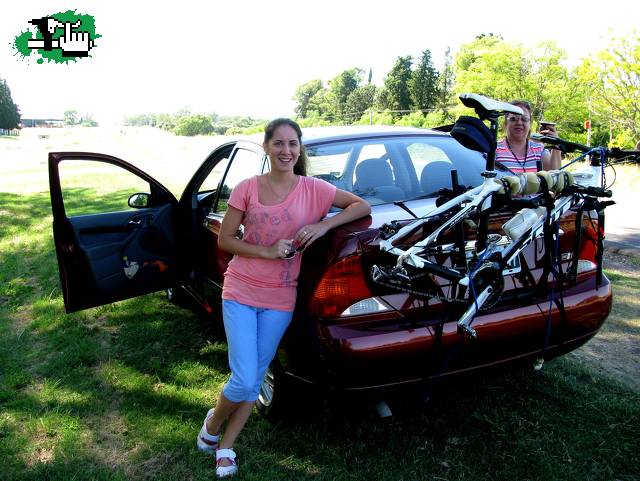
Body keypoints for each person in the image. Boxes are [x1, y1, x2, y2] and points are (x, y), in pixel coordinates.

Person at [195, 118, 371, 478]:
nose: (286, 151)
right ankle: (212, 423)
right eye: (278, 144)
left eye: (293, 144)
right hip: (242, 289)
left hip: (280, 297)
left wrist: (323, 225)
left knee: (257, 373)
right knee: (244, 379)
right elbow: (225, 239)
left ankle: (226, 446)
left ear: (299, 149)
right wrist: (268, 251)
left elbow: (360, 207)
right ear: (266, 147)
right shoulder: (248, 187)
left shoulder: (315, 189)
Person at [495, 100, 561, 173]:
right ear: (505, 123)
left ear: (530, 124)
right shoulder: (494, 150)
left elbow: (555, 175)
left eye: (524, 119)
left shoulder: (539, 150)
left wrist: (556, 144)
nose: (519, 122)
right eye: (513, 119)